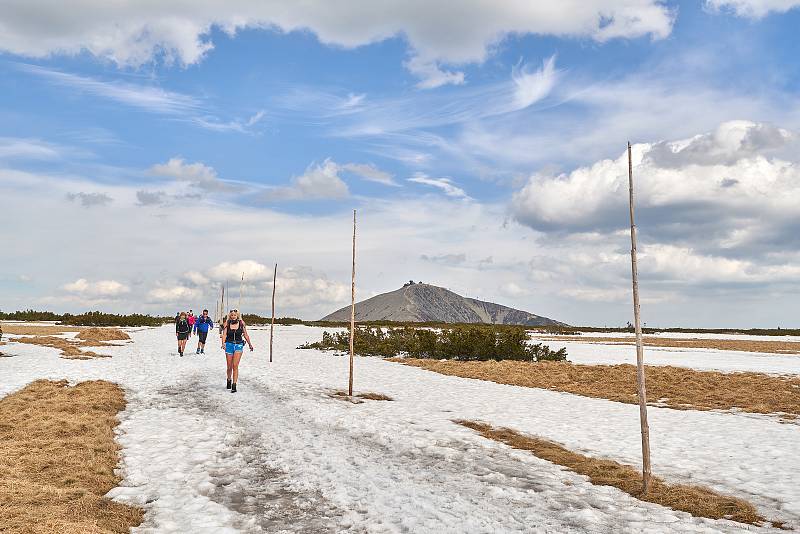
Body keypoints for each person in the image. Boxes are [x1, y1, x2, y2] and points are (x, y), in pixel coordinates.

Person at [221, 309, 253, 393]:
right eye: (231, 315)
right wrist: (223, 343)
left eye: (234, 315)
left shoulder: (242, 323)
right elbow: (224, 334)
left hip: (239, 345)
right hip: (229, 345)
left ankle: (234, 385)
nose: (233, 316)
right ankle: (229, 379)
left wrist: (250, 344)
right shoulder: (227, 324)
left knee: (235, 365)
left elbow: (245, 334)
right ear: (230, 316)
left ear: (237, 316)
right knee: (229, 366)